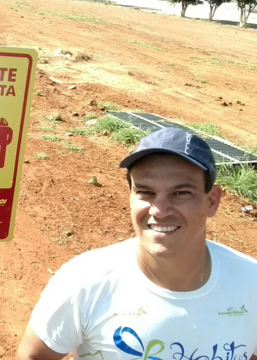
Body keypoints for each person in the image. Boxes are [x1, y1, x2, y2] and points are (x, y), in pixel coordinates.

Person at [17, 127, 257, 360]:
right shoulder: (84, 281)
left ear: (212, 201)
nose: (160, 211)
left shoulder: (251, 283)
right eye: (145, 192)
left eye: (181, 193)